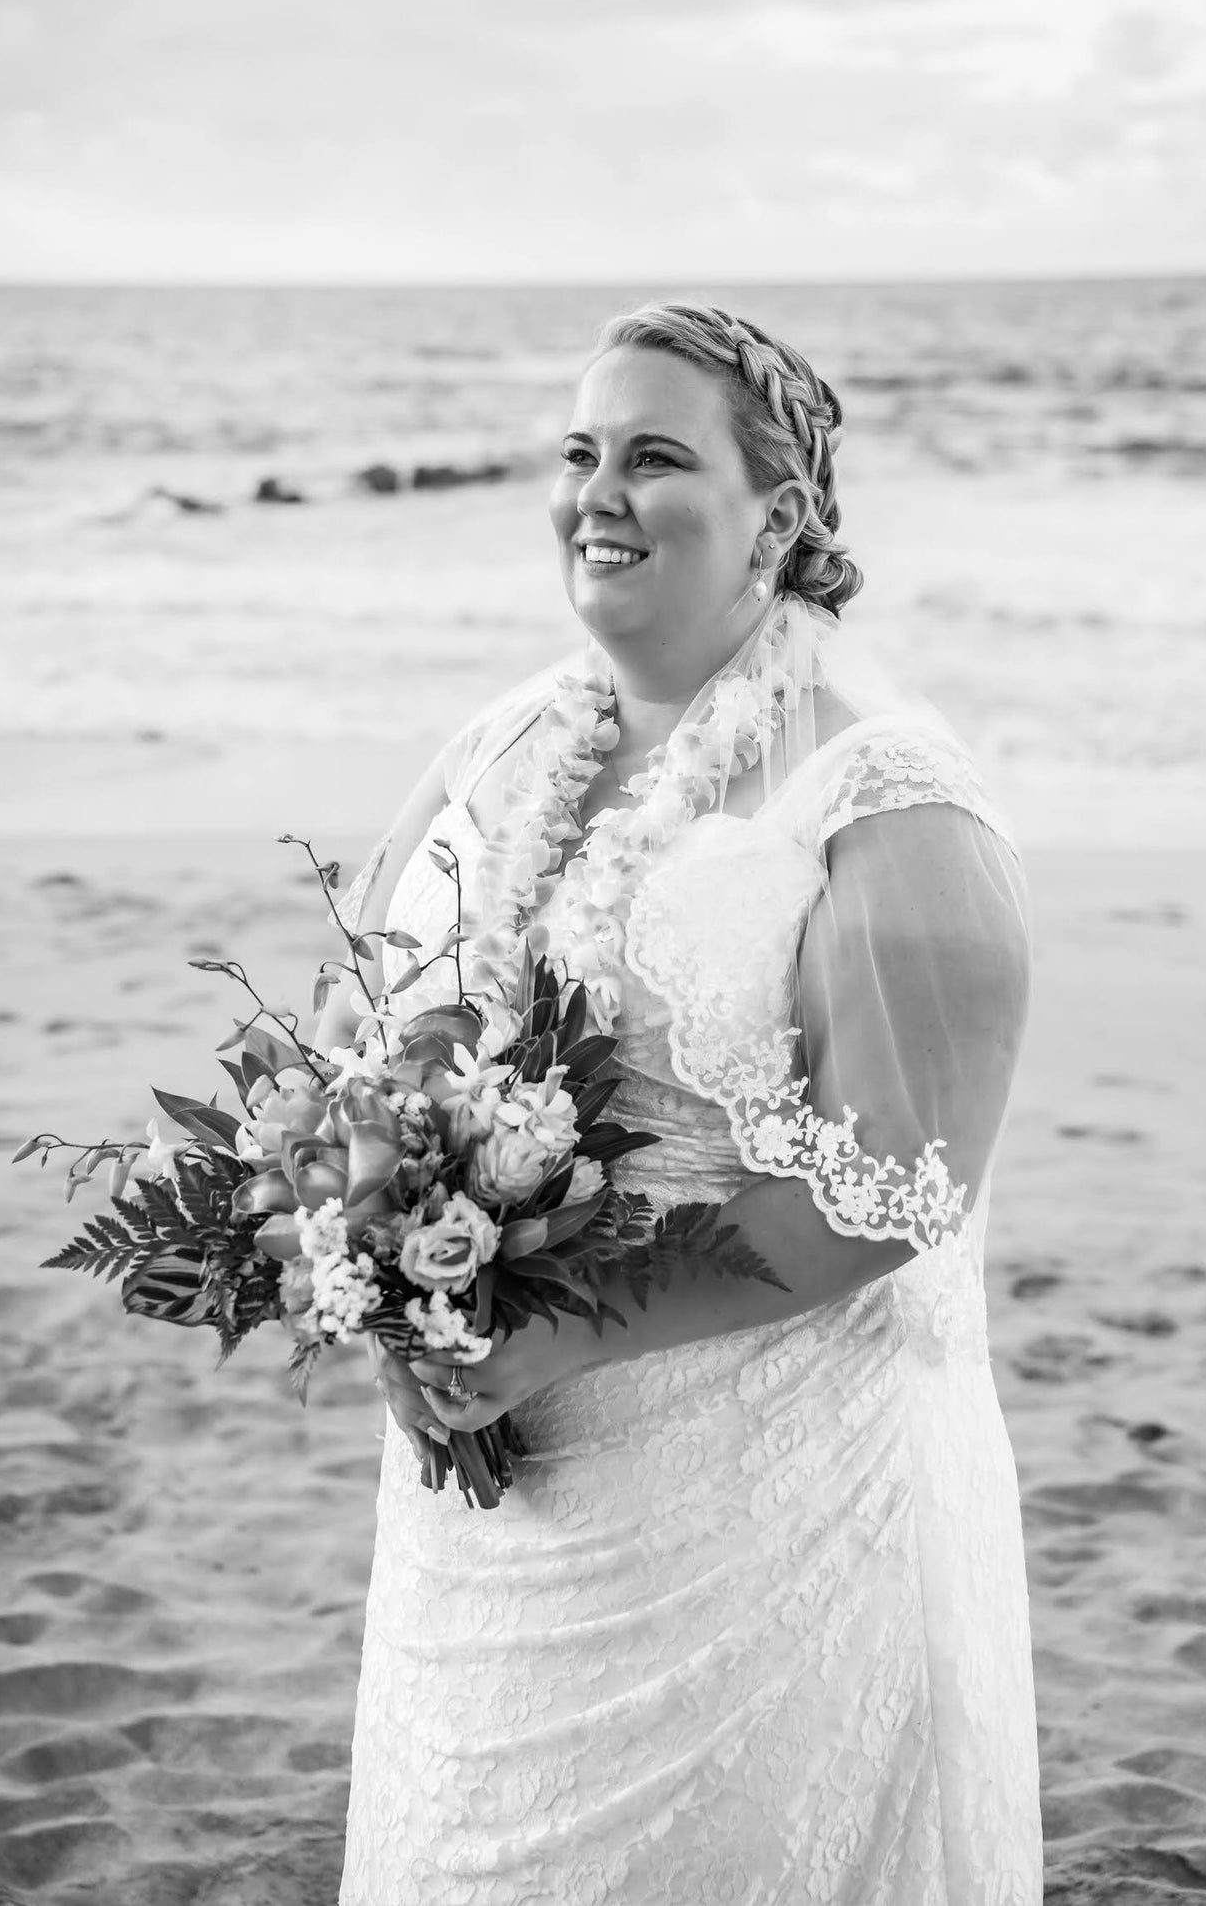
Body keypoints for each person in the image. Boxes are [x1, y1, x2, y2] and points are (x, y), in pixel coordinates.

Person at [325, 302, 1042, 1904]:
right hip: (493, 1492)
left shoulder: (885, 798)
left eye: (653, 456)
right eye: (580, 450)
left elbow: (887, 1195)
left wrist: (561, 1329)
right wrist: (390, 1287)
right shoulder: (499, 747)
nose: (597, 491)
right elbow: (383, 1048)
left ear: (777, 515)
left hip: (767, 1518)